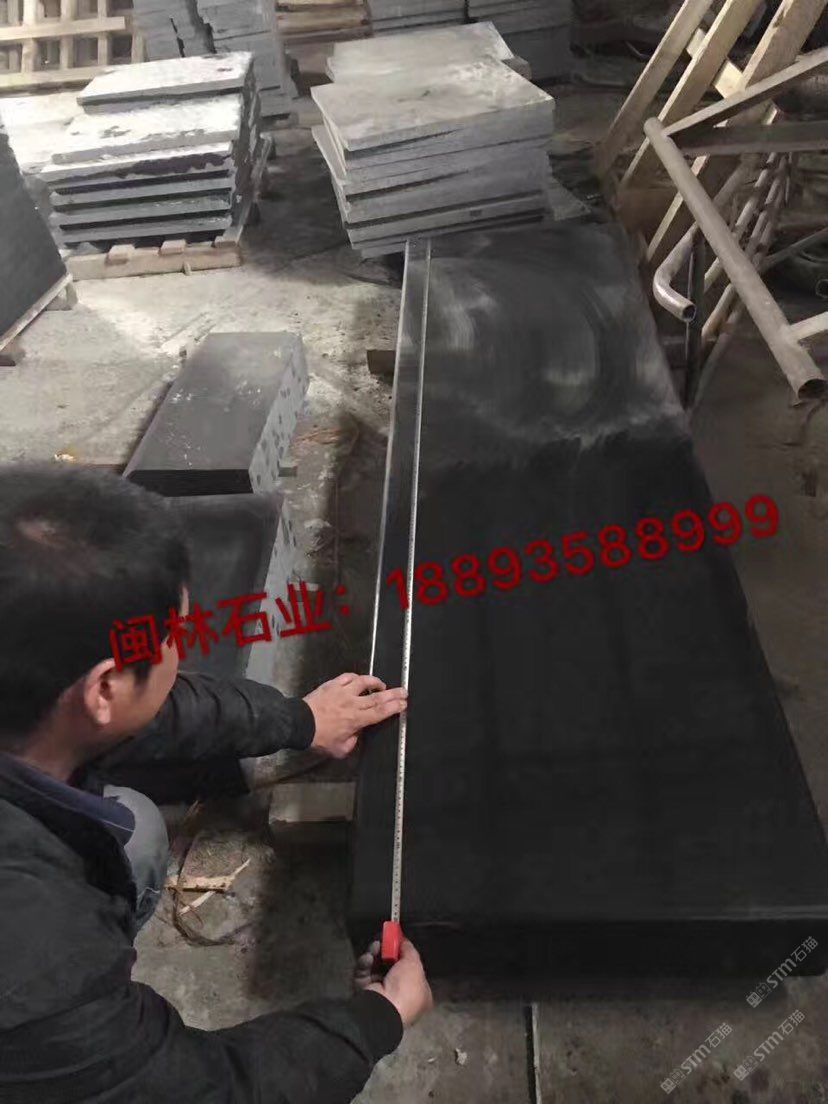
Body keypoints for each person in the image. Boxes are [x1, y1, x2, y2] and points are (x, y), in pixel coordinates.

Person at [0, 464, 433, 1104]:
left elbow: (155, 713)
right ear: (105, 688)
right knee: (132, 837)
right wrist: (373, 1022)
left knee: (134, 830)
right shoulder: (35, 961)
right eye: (173, 637)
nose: (182, 651)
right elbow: (198, 1092)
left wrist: (301, 721)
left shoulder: (32, 679)